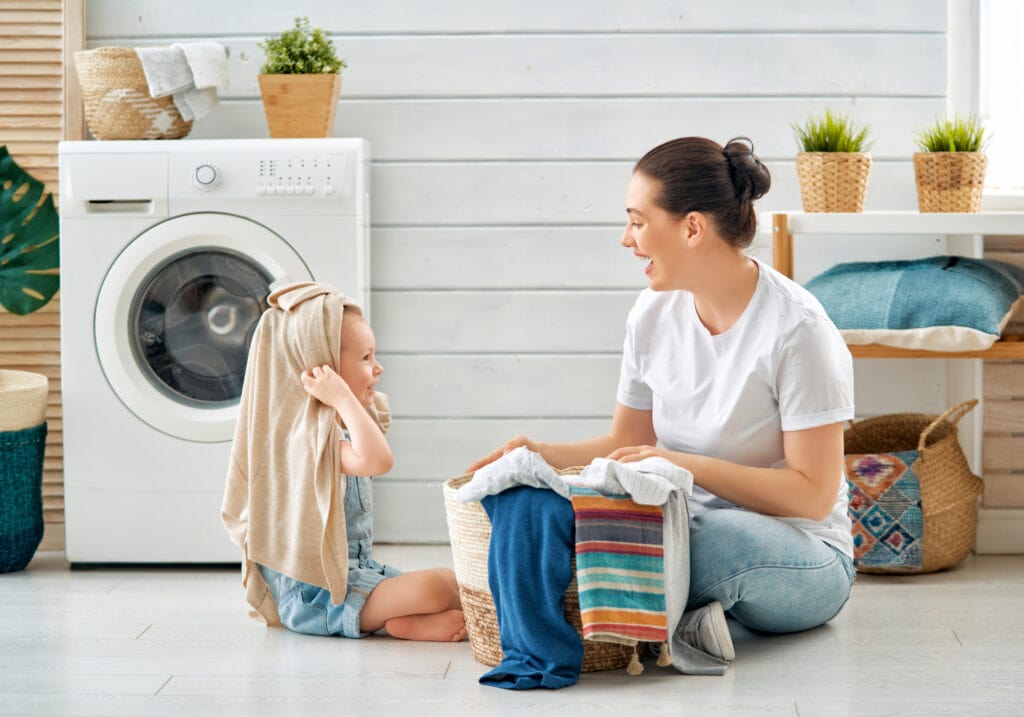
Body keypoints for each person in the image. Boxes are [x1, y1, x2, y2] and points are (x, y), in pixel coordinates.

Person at [468, 137, 855, 662]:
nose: (626, 239)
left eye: (637, 221)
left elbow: (812, 494)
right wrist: (537, 454)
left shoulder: (797, 330)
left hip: (803, 555)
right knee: (553, 509)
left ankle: (560, 610)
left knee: (714, 537)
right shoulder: (651, 314)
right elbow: (628, 442)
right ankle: (675, 619)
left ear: (692, 227)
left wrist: (681, 465)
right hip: (677, 526)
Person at [223, 282, 466, 642]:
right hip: (318, 596)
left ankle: (399, 621)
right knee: (439, 584)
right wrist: (342, 398)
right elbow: (378, 460)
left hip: (358, 573)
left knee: (456, 586)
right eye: (366, 358)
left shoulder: (334, 428)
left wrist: (345, 402)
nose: (378, 368)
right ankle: (388, 617)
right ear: (324, 371)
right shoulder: (303, 439)